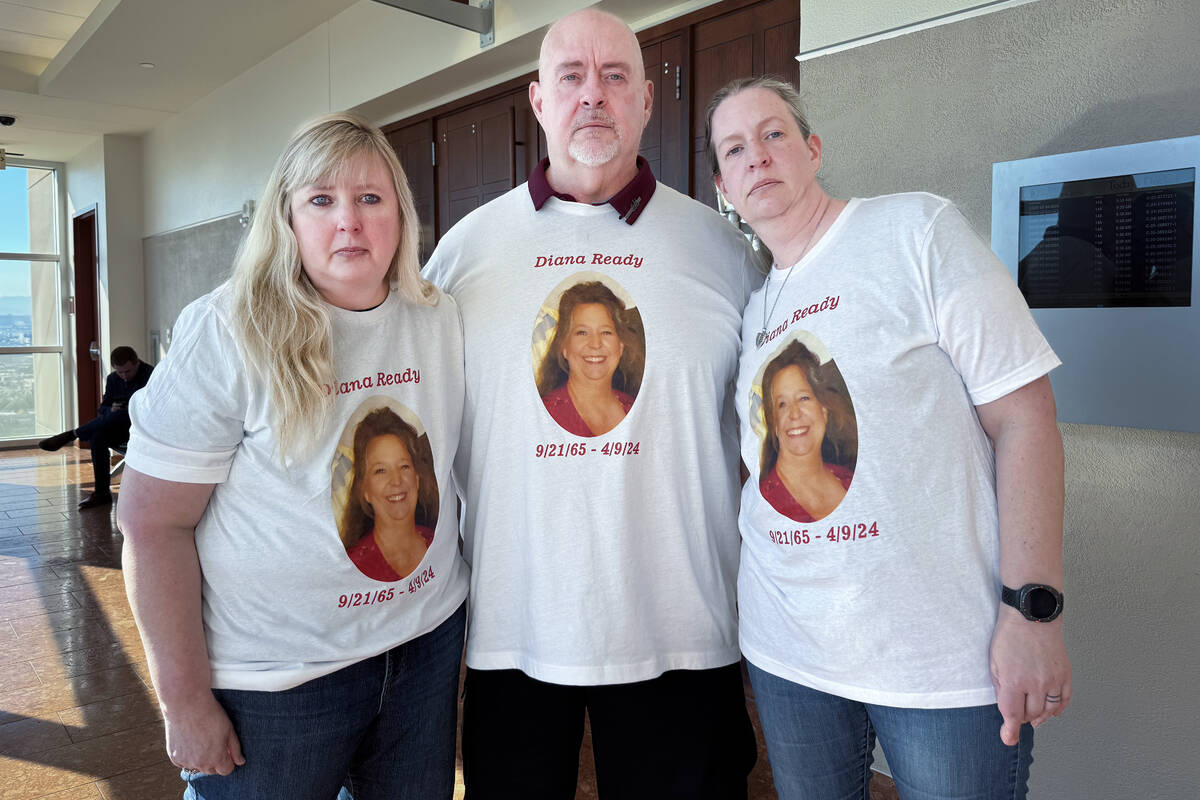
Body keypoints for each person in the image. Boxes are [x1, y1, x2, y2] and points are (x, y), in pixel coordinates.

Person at [423, 9, 761, 799]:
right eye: (572, 78)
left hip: (684, 629)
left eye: (615, 78)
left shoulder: (722, 251)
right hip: (513, 630)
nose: (594, 97)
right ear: (539, 102)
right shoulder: (465, 254)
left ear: (647, 100)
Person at [707, 76, 1071, 799]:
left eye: (774, 134)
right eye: (735, 148)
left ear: (812, 148)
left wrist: (1032, 610)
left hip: (942, 661)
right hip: (789, 656)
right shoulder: (752, 310)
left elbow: (1025, 417)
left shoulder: (914, 232)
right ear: (723, 185)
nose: (758, 157)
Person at [116, 113, 469, 799]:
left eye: (371, 198)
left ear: (400, 211)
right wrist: (183, 701)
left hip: (422, 654)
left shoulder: (439, 318)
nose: (350, 222)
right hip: (278, 684)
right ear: (287, 218)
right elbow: (152, 523)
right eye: (321, 200)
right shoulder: (229, 330)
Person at [38, 345, 153, 509]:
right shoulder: (114, 379)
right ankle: (102, 493)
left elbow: (154, 408)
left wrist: (127, 409)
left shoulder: (151, 375)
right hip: (120, 426)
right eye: (120, 372)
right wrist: (111, 409)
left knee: (121, 415)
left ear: (137, 363)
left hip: (142, 426)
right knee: (98, 436)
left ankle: (73, 434)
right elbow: (102, 409)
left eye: (128, 371)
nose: (124, 376)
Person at [757, 339, 855, 522]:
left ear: (824, 410)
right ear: (774, 424)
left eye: (803, 398)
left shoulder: (850, 480)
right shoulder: (765, 501)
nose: (794, 414)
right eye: (782, 404)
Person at [535, 280, 644, 437]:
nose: (595, 344)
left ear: (620, 346)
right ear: (564, 346)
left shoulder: (637, 410)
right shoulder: (542, 417)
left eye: (606, 332)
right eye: (582, 332)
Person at [341, 407, 437, 581]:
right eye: (380, 471)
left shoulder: (436, 543)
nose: (396, 481)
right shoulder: (352, 568)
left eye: (404, 466)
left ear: (417, 478)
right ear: (364, 489)